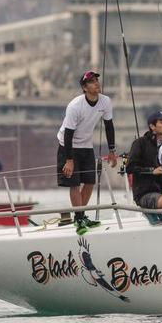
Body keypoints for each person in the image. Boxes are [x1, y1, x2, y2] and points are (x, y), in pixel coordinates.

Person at [56, 70, 117, 235]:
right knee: (74, 183)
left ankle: (80, 217)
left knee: (90, 181)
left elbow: (109, 125)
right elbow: (68, 134)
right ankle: (80, 217)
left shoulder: (105, 101)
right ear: (84, 87)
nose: (96, 83)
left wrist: (112, 150)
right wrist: (69, 160)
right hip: (68, 145)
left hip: (86, 145)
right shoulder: (75, 106)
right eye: (91, 81)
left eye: (97, 80)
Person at [126, 109, 162, 225]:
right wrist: (151, 171)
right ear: (152, 126)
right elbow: (130, 167)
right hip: (144, 193)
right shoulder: (140, 143)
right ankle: (148, 210)